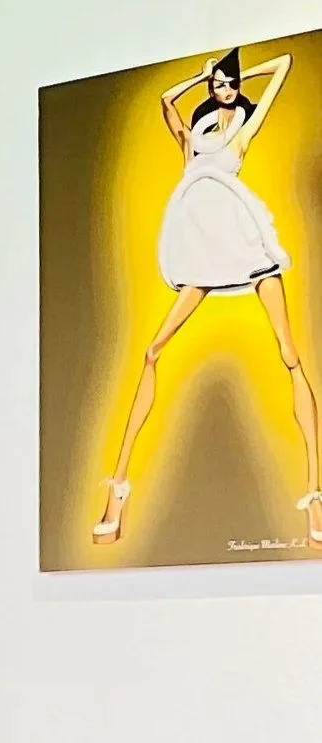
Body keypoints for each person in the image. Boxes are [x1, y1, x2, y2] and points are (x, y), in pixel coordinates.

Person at [92, 48, 322, 548]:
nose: (224, 90)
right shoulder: (193, 141)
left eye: (229, 84)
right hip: (202, 250)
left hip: (242, 239)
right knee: (152, 350)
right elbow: (164, 100)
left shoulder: (243, 127)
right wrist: (200, 76)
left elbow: (283, 63)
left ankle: (314, 494)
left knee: (288, 353)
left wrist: (237, 75)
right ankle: (118, 487)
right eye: (219, 85)